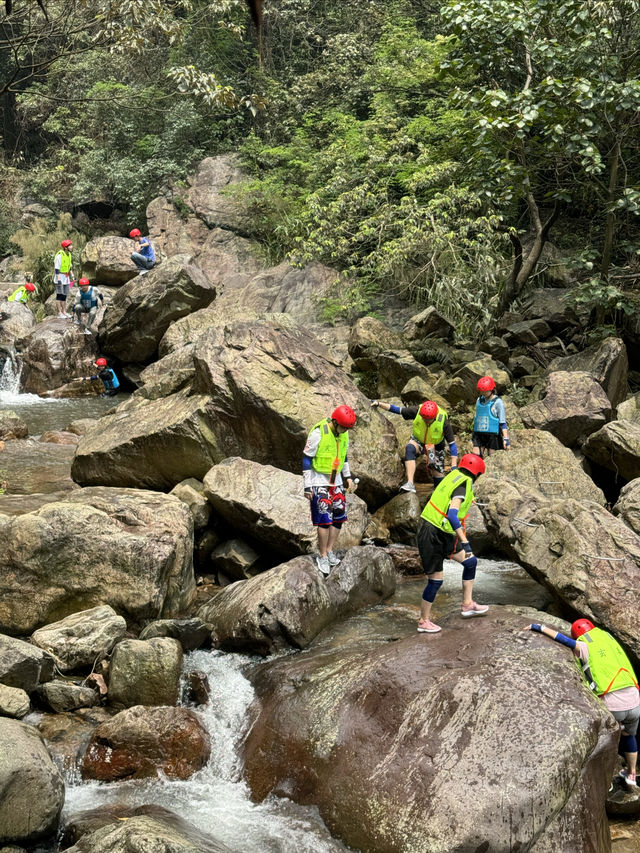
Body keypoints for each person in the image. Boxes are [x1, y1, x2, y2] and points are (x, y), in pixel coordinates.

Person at [528, 619, 640, 787]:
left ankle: (606, 781)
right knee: (628, 735)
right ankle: (631, 773)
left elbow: (562, 639)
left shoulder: (584, 645)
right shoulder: (608, 638)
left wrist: (539, 627)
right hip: (634, 700)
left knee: (607, 739)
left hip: (613, 704)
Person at [416, 452, 488, 633]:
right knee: (435, 580)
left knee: (470, 562)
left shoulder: (454, 475)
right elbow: (452, 515)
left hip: (444, 532)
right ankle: (424, 621)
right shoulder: (462, 485)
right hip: (432, 532)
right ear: (477, 473)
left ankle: (467, 604)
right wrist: (465, 542)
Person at [303, 405, 357, 576]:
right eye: (343, 427)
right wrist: (307, 485)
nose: (344, 431)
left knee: (339, 517)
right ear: (335, 421)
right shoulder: (318, 433)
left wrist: (348, 477)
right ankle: (322, 555)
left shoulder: (344, 433)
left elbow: (344, 456)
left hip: (337, 481)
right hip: (320, 481)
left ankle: (330, 550)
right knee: (324, 520)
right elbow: (306, 459)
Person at [371, 399, 458, 492]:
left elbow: (452, 445)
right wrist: (379, 403)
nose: (426, 421)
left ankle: (439, 492)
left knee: (437, 474)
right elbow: (398, 410)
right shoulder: (417, 411)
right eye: (424, 419)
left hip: (435, 446)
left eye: (428, 420)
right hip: (419, 441)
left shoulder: (444, 422)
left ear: (435, 417)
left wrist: (453, 466)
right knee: (410, 448)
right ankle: (410, 483)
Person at [472, 376, 510, 456]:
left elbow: (502, 423)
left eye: (485, 391)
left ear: (491, 389)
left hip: (493, 435)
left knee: (492, 457)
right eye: (482, 391)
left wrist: (506, 439)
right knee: (476, 455)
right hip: (479, 433)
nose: (483, 393)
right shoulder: (479, 400)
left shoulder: (498, 402)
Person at [53, 239, 74, 318]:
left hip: (66, 277)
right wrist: (58, 280)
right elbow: (57, 269)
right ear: (65, 247)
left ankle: (64, 311)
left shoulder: (69, 255)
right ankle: (59, 312)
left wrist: (72, 276)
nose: (72, 247)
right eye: (70, 246)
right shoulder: (59, 256)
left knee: (65, 295)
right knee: (59, 295)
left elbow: (70, 267)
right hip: (60, 277)